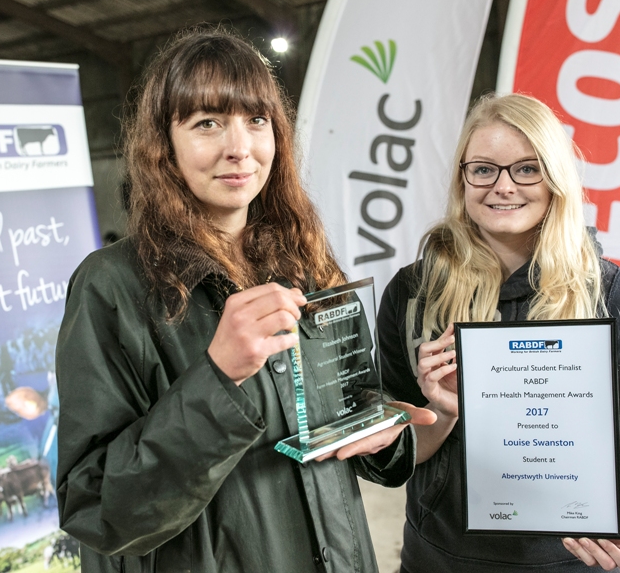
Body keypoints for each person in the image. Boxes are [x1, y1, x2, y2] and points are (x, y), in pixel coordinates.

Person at [54, 28, 435, 573]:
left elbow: (354, 403)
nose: (239, 147)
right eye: (207, 123)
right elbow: (96, 509)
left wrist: (380, 432)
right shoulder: (112, 287)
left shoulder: (309, 262)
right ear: (164, 145)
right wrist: (217, 376)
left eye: (256, 121)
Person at [377, 93, 620, 572]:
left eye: (527, 169)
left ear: (554, 179)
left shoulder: (609, 294)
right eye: (484, 169)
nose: (503, 187)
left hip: (565, 558)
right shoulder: (413, 293)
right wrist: (441, 412)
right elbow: (397, 448)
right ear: (463, 178)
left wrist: (590, 498)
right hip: (440, 558)